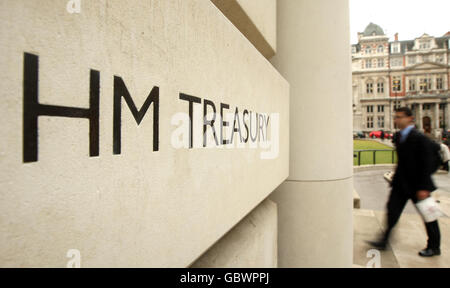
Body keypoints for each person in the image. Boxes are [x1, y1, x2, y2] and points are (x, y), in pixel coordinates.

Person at [368, 107, 441, 257]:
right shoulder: (400, 136)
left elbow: (429, 162)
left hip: (418, 186)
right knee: (392, 212)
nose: (396, 120)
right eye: (396, 117)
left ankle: (434, 246)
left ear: (410, 119)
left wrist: (424, 187)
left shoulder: (419, 138)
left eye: (399, 117)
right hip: (401, 184)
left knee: (428, 216)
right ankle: (383, 240)